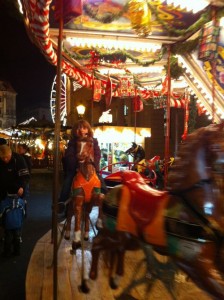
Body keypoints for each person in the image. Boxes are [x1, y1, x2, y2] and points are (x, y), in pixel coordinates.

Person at [58, 119, 107, 214]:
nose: (81, 130)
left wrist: (93, 163)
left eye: (84, 128)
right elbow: (70, 155)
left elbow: (97, 153)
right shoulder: (73, 142)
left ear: (88, 130)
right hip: (76, 168)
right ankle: (62, 202)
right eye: (79, 128)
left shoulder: (93, 141)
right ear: (75, 131)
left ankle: (105, 199)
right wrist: (76, 164)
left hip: (89, 166)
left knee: (100, 180)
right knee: (68, 180)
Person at [0, 144, 30, 257]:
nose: (5, 160)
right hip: (4, 193)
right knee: (5, 218)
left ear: (10, 153)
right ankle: (7, 241)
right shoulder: (1, 161)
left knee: (17, 218)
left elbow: (26, 177)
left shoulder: (19, 159)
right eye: (3, 158)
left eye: (7, 157)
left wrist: (22, 187)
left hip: (18, 192)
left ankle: (17, 241)